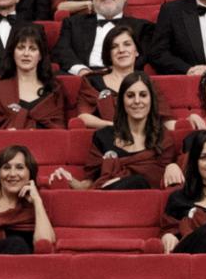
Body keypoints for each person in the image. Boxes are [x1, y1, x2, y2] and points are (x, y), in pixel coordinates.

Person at [52, 71, 182, 191]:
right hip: (105, 203)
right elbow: (88, 185)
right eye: (130, 96)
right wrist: (68, 179)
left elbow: (160, 180)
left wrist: (173, 166)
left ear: (151, 100)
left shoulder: (162, 138)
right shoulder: (103, 136)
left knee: (138, 181)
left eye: (143, 95)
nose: (137, 101)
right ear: (122, 101)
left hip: (144, 207)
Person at [55, 0, 151, 78]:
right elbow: (62, 51)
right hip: (82, 78)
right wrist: (81, 70)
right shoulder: (73, 23)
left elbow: (144, 58)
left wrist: (116, 71)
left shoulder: (143, 27)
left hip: (123, 80)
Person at [0, 26, 70, 130]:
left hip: (44, 144)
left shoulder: (54, 89)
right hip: (8, 144)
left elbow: (58, 129)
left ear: (40, 55)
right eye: (21, 48)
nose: (26, 54)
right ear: (13, 53)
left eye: (32, 49)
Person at [73, 25, 152, 129]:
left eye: (127, 44)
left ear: (136, 51)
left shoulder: (147, 82)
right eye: (114, 47)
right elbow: (83, 117)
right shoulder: (92, 81)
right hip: (108, 137)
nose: (121, 50)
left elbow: (163, 119)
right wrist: (116, 126)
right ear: (108, 54)